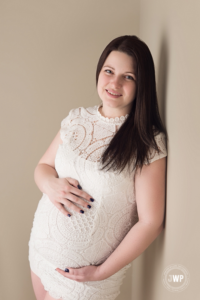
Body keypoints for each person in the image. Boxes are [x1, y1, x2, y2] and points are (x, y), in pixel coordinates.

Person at [28, 35, 168, 300]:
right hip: (40, 255)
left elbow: (151, 223)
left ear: (142, 85)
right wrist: (51, 185)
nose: (114, 83)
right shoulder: (76, 118)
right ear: (99, 70)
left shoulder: (147, 141)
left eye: (129, 77)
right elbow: (43, 166)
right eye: (109, 71)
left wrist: (101, 272)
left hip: (86, 280)